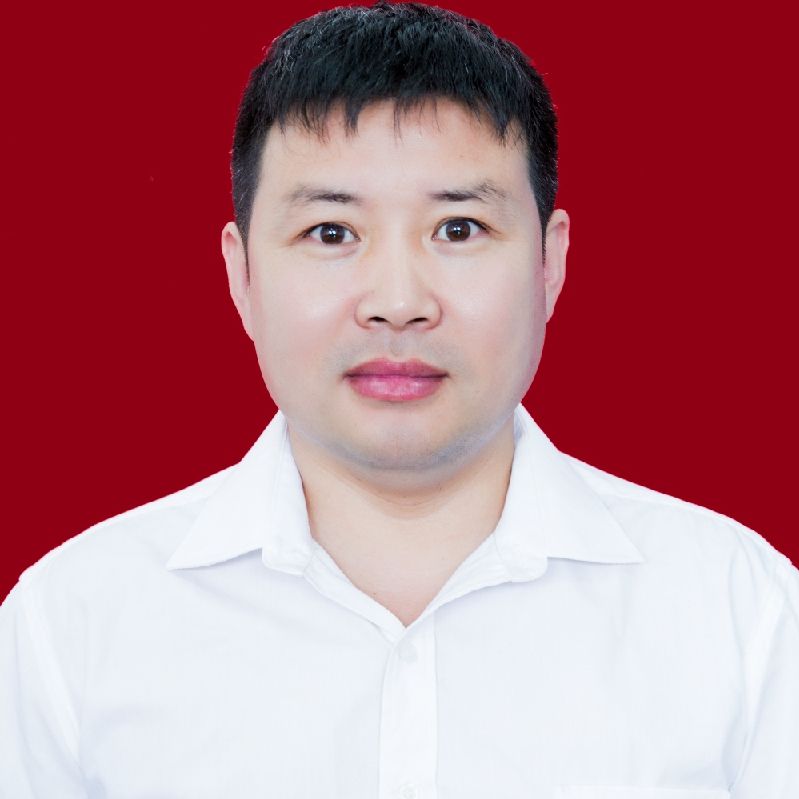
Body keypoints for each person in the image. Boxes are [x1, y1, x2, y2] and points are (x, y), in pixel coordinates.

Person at [1, 1, 796, 796]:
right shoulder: (72, 627)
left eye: (458, 228)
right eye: (330, 233)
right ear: (241, 275)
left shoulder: (740, 616)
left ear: (548, 264)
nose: (397, 302)